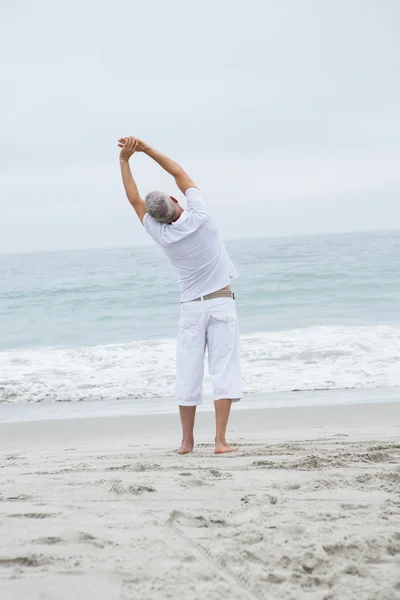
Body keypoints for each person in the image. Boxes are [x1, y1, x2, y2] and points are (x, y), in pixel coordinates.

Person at [118, 136, 243, 454]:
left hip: (190, 309)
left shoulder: (161, 234)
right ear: (176, 200)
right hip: (220, 301)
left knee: (188, 373)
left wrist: (124, 161)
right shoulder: (200, 214)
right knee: (223, 369)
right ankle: (220, 441)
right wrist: (145, 150)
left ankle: (186, 442)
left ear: (155, 218)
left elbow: (134, 200)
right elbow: (179, 171)